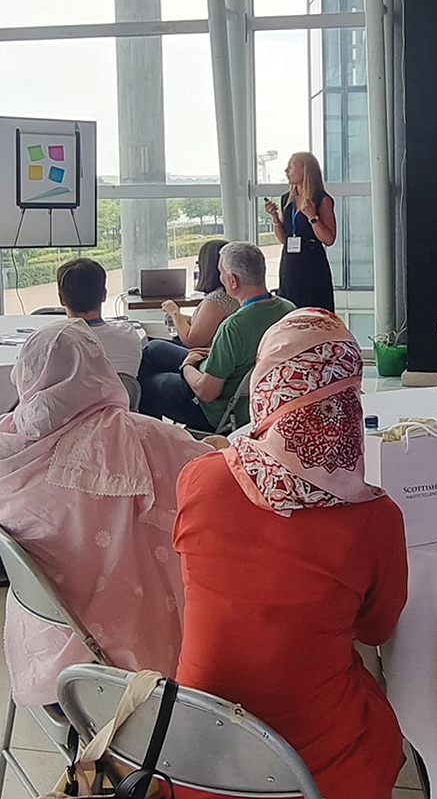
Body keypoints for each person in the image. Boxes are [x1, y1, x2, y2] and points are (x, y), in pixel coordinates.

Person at [173, 309, 407, 799]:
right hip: (318, 772)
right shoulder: (374, 519)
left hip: (195, 758)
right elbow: (376, 630)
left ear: (268, 388)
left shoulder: (201, 479)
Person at [0, 320, 210, 705]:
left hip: (46, 638)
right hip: (127, 664)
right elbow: (209, 476)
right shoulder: (140, 437)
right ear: (100, 366)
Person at [138, 242, 294, 432]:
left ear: (233, 280)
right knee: (154, 350)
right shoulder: (288, 309)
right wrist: (213, 353)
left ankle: (150, 442)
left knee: (146, 383)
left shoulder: (234, 326)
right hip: (250, 393)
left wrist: (187, 366)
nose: (220, 278)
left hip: (216, 408)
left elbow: (207, 392)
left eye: (221, 273)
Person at [265, 151, 336, 311]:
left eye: (291, 166)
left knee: (313, 308)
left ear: (305, 169)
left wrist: (312, 217)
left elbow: (329, 239)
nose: (286, 171)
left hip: (311, 261)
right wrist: (275, 218)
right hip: (290, 261)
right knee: (290, 306)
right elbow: (284, 238)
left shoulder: (321, 199)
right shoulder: (287, 199)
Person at [54, 257, 144, 380]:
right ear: (104, 295)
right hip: (124, 399)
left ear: (61, 299)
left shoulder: (49, 346)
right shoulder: (130, 334)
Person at [162, 238, 239, 349]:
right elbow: (206, 325)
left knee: (153, 348)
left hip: (205, 357)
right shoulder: (232, 295)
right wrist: (181, 319)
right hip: (215, 353)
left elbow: (192, 341)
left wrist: (174, 312)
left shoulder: (217, 300)